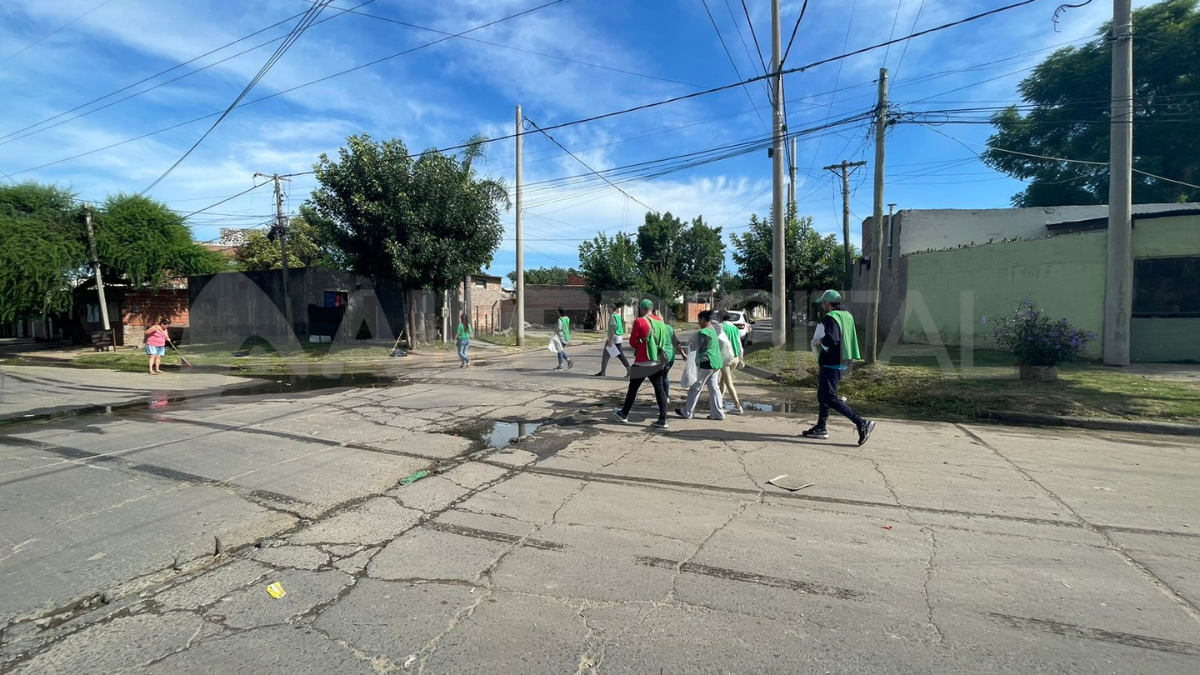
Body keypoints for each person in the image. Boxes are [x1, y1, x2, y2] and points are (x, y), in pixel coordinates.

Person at [802, 290, 876, 446]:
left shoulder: (831, 317)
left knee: (829, 397)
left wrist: (818, 340)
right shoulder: (847, 315)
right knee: (823, 395)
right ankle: (821, 428)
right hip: (844, 361)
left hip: (831, 362)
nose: (822, 306)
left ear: (827, 303)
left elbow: (832, 339)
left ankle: (861, 423)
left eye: (823, 303)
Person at [613, 299, 669, 429]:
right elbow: (663, 340)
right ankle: (663, 419)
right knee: (660, 390)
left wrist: (641, 342)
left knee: (633, 389)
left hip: (642, 361)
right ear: (651, 308)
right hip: (656, 361)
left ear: (642, 309)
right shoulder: (661, 322)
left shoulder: (639, 321)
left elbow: (633, 343)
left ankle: (624, 413)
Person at [677, 310, 725, 421]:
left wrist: (691, 342)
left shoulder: (704, 332)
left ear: (703, 319)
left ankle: (688, 412)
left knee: (695, 387)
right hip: (716, 362)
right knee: (714, 388)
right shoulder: (713, 329)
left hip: (706, 363)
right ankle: (718, 413)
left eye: (699, 321)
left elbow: (696, 347)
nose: (698, 323)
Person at [649, 306, 683, 402]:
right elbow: (676, 343)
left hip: (660, 357)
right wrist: (683, 353)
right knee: (664, 376)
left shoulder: (653, 328)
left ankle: (661, 401)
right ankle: (666, 398)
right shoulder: (669, 328)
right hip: (670, 358)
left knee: (658, 380)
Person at [716, 312, 745, 415]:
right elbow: (739, 345)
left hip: (726, 358)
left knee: (728, 382)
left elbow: (718, 340)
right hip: (735, 358)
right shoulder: (734, 328)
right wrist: (741, 359)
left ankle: (738, 406)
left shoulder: (720, 327)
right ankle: (719, 403)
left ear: (720, 317)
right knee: (723, 380)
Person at [595, 306, 631, 377]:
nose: (608, 309)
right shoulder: (618, 316)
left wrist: (610, 340)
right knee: (619, 354)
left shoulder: (612, 317)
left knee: (606, 355)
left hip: (613, 338)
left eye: (609, 308)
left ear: (611, 309)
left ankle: (603, 372)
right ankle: (629, 369)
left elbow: (613, 328)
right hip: (618, 337)